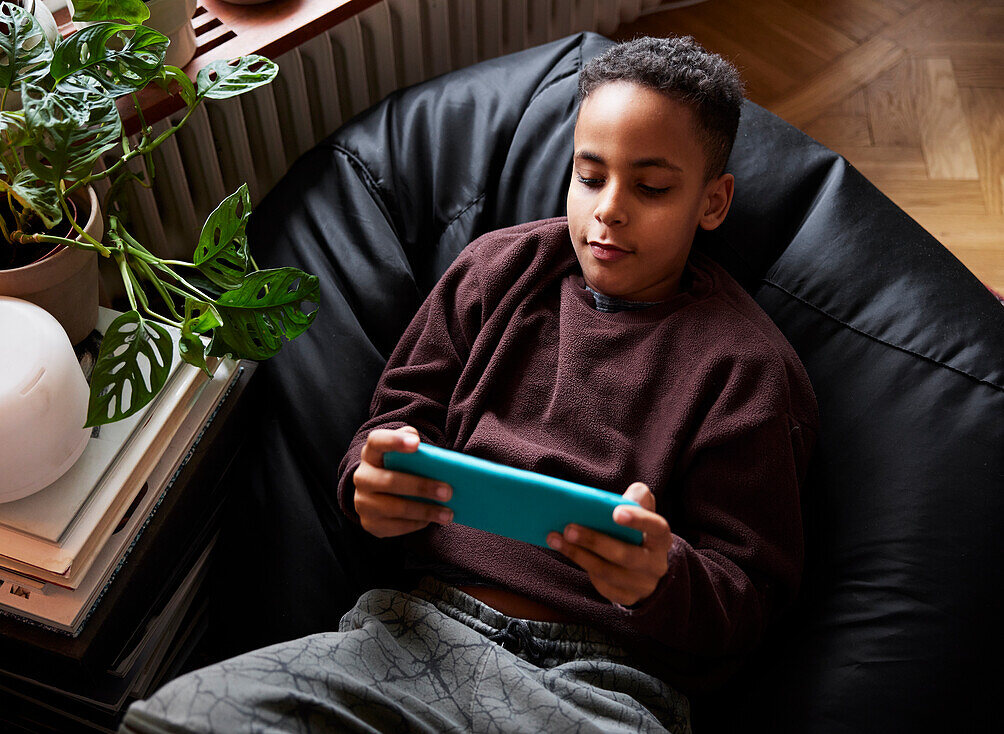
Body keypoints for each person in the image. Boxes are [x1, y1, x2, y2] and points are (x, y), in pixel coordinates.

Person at [121, 36, 817, 734]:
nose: (609, 209)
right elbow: (393, 426)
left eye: (652, 187)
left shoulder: (748, 369)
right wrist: (372, 485)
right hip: (406, 637)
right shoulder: (495, 272)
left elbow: (749, 599)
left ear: (714, 201)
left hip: (595, 685)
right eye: (589, 175)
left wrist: (664, 579)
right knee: (171, 721)